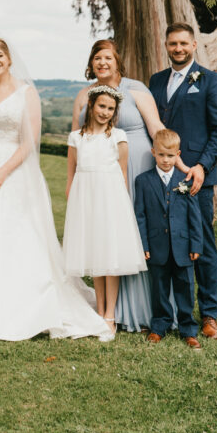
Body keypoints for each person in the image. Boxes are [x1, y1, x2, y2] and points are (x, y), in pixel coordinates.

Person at [0, 37, 110, 342]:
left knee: (8, 234)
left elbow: (29, 140)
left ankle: (12, 300)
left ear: (9, 59)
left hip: (9, 169)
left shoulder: (25, 92)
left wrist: (3, 171)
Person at [72, 38, 181, 332]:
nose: (102, 63)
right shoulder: (83, 95)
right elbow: (76, 138)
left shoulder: (135, 89)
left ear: (118, 61)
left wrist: (180, 164)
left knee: (138, 233)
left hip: (136, 165)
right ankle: (110, 311)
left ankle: (149, 310)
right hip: (97, 175)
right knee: (106, 236)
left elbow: (156, 128)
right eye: (97, 59)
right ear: (91, 64)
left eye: (108, 58)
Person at [149, 23, 217, 339]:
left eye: (183, 43)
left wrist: (201, 167)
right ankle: (165, 314)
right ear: (166, 45)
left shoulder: (210, 81)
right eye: (173, 43)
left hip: (196, 179)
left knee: (202, 245)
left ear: (194, 45)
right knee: (165, 244)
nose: (178, 48)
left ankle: (208, 315)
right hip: (161, 177)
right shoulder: (156, 82)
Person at [63, 86, 148, 337]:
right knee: (95, 256)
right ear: (91, 106)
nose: (105, 112)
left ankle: (110, 314)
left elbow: (122, 173)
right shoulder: (76, 137)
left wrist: (121, 205)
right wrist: (73, 201)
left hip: (110, 200)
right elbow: (71, 174)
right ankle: (99, 311)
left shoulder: (118, 136)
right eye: (102, 106)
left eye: (110, 109)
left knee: (110, 257)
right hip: (85, 199)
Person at [134, 129, 204, 349]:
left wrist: (196, 244)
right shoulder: (143, 181)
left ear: (178, 154)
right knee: (159, 288)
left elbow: (194, 215)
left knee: (185, 287)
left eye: (171, 156)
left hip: (183, 245)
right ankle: (159, 326)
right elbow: (141, 215)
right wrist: (143, 245)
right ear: (153, 152)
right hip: (157, 246)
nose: (166, 160)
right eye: (162, 155)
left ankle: (188, 328)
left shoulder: (185, 180)